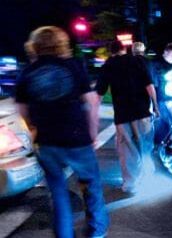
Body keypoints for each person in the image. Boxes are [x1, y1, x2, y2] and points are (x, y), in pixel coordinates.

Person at [15, 26, 108, 238]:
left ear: (35, 46)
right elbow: (92, 101)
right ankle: (96, 232)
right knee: (91, 186)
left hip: (47, 142)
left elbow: (22, 109)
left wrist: (34, 129)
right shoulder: (73, 66)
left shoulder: (28, 72)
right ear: (60, 43)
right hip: (77, 138)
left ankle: (64, 234)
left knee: (58, 194)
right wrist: (92, 132)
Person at [96, 40, 159, 194]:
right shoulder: (137, 61)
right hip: (142, 111)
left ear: (111, 51)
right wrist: (155, 106)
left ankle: (130, 184)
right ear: (124, 49)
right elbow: (149, 86)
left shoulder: (108, 66)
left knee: (127, 149)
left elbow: (99, 94)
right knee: (145, 146)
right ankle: (149, 178)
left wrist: (94, 115)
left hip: (123, 115)